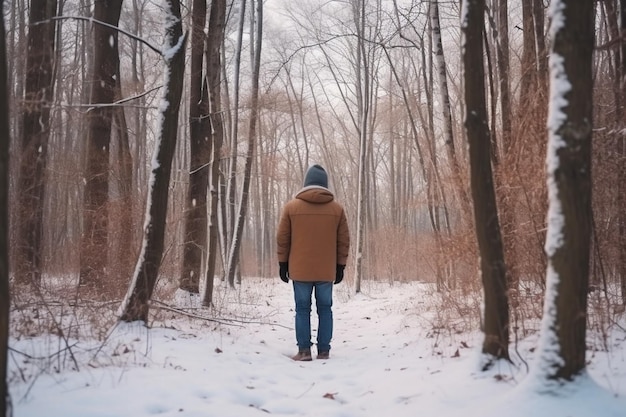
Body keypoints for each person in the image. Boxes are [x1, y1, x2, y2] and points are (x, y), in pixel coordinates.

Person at [276, 164, 350, 361]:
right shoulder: (337, 209)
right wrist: (340, 265)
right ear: (324, 184)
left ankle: (304, 351)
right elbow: (344, 240)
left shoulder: (291, 208)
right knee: (325, 308)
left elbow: (283, 238)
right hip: (326, 270)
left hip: (300, 271)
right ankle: (324, 350)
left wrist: (283, 264)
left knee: (302, 308)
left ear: (306, 183)